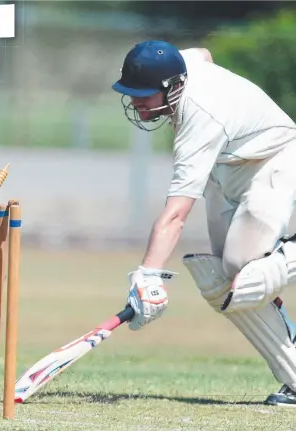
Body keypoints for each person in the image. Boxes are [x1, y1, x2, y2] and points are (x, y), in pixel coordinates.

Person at [112, 40, 296, 407]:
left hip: (274, 160)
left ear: (172, 87)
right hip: (228, 170)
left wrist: (148, 274)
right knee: (221, 281)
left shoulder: (201, 116)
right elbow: (203, 53)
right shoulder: (182, 66)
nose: (136, 103)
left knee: (244, 272)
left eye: (144, 96)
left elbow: (177, 214)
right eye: (131, 94)